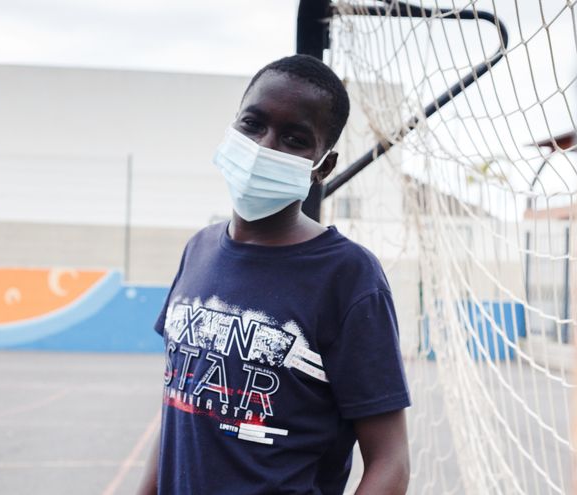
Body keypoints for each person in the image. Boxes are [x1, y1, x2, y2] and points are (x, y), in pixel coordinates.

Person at [138, 54, 410, 495]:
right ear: (232, 128)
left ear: (323, 166)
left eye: (294, 138)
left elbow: (390, 462)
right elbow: (178, 410)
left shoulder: (348, 276)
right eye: (252, 124)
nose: (264, 147)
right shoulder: (198, 250)